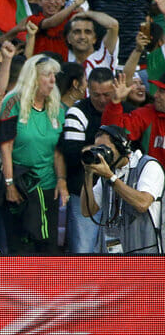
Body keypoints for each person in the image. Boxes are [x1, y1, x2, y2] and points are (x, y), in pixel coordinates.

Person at [0, 55, 68, 254]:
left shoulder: (58, 108)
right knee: (22, 246)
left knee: (49, 244)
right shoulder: (12, 103)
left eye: (54, 75)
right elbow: (6, 147)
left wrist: (61, 179)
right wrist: (9, 184)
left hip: (48, 185)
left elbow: (58, 150)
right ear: (33, 78)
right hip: (21, 185)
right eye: (47, 75)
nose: (53, 80)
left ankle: (49, 284)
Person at [81, 124, 165, 254]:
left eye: (104, 149)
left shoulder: (148, 166)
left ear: (122, 147)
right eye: (97, 149)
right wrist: (87, 174)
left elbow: (142, 203)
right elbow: (87, 211)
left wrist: (111, 177)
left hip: (144, 255)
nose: (101, 154)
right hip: (112, 256)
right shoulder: (107, 172)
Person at [60, 67, 116, 253]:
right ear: (88, 90)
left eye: (107, 94)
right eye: (96, 94)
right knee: (83, 249)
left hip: (117, 192)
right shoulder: (78, 111)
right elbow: (70, 152)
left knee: (116, 250)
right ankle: (82, 283)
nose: (101, 100)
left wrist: (88, 148)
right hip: (84, 189)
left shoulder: (122, 109)